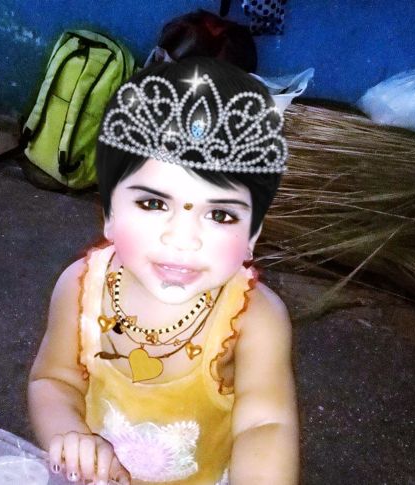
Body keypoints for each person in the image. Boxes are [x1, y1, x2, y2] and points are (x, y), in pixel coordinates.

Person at [28, 56, 299, 485]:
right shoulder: (78, 289)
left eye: (221, 215)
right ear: (109, 213)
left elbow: (264, 426)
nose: (182, 238)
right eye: (154, 204)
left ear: (252, 233)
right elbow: (53, 380)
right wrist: (72, 437)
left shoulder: (255, 319)